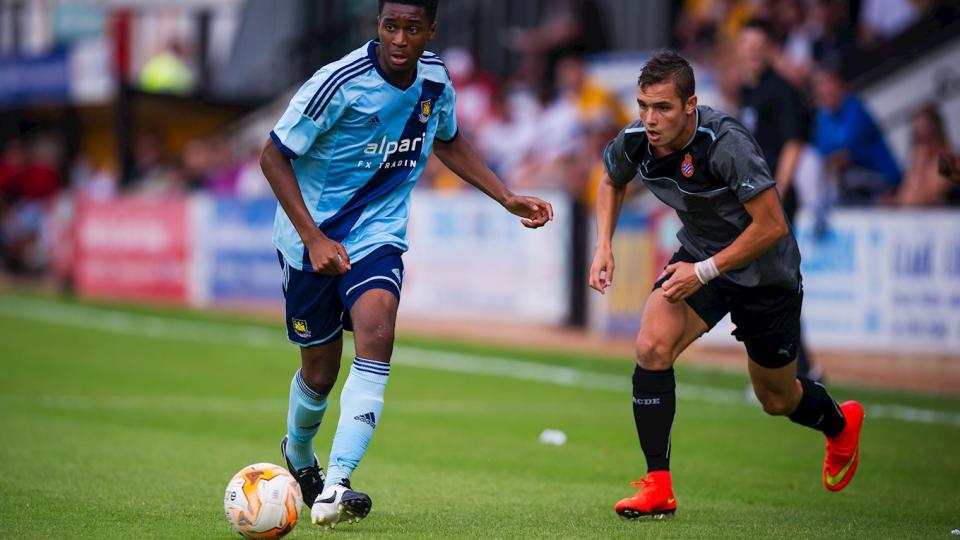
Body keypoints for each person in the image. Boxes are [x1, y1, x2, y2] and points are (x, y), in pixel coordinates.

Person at [259, 0, 553, 529]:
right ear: (378, 25)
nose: (399, 38)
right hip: (311, 241)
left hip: (377, 235)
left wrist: (506, 196)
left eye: (411, 28)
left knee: (378, 332)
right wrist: (313, 236)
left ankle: (336, 483)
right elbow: (272, 155)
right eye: (390, 26)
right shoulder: (338, 82)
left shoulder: (435, 80)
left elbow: (449, 140)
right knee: (320, 373)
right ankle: (299, 451)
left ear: (430, 31)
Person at [588, 50, 863, 519]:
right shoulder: (637, 140)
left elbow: (772, 225)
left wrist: (703, 271)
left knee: (777, 398)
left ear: (690, 105)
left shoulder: (726, 143)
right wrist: (603, 246)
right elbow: (611, 181)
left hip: (765, 273)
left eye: (663, 108)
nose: (650, 119)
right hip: (701, 256)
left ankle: (840, 423)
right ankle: (658, 486)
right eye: (643, 106)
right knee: (651, 346)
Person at [736, 19, 823, 382]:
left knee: (777, 284)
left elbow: (793, 143)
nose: (752, 54)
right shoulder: (748, 90)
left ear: (770, 49)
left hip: (774, 200)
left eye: (759, 47)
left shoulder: (781, 90)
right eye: (747, 47)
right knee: (767, 286)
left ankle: (798, 371)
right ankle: (794, 369)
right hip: (754, 199)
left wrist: (777, 190)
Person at [811, 61, 901, 205]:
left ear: (839, 82)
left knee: (845, 179)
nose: (824, 89)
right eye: (819, 85)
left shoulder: (855, 108)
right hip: (851, 180)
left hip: (882, 177)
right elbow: (822, 155)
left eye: (827, 82)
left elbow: (845, 155)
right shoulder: (823, 118)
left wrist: (833, 161)